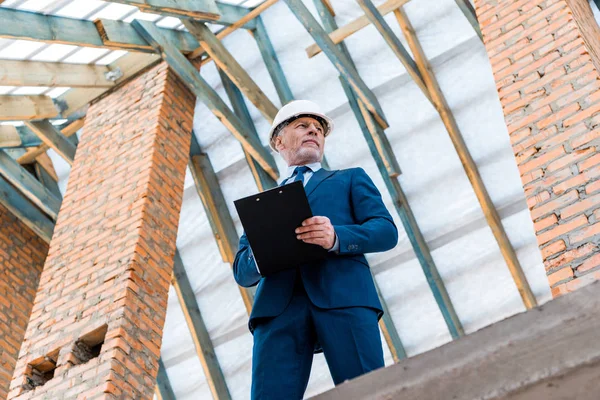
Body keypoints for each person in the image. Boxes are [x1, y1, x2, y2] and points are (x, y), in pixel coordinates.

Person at [233, 100, 398, 399]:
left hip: (345, 297)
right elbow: (241, 272)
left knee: (368, 392)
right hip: (277, 310)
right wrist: (266, 251)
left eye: (319, 128)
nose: (314, 131)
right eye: (303, 126)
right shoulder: (261, 206)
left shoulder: (349, 178)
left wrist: (336, 235)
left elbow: (386, 231)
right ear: (278, 141)